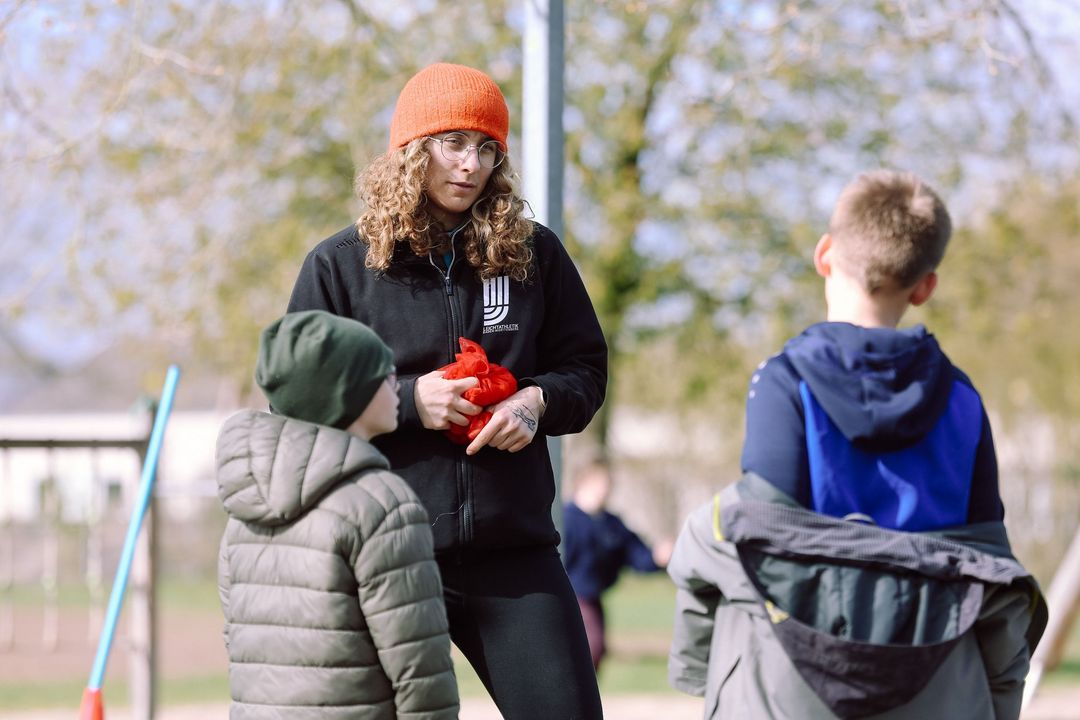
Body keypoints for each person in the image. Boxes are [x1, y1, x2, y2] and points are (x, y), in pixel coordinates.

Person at [286, 63, 607, 718]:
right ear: (412, 148)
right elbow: (295, 406)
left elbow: (586, 369)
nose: (472, 165)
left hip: (514, 557)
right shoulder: (340, 266)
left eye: (488, 148)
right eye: (454, 143)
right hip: (384, 559)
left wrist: (535, 402)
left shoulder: (535, 255)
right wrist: (407, 403)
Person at [667, 170, 1047, 719]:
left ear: (825, 254)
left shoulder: (782, 381)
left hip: (795, 679)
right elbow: (988, 559)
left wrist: (697, 669)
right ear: (924, 287)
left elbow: (763, 533)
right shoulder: (963, 399)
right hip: (935, 676)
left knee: (714, 531)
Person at [215, 310, 459, 719]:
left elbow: (239, 642)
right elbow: (418, 663)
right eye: (384, 374)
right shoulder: (382, 504)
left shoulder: (242, 510)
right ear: (348, 394)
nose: (396, 385)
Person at [562, 461, 672, 671]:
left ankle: (581, 700)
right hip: (570, 597)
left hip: (593, 597)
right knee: (590, 648)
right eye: (602, 483)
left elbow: (635, 555)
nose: (607, 489)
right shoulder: (565, 519)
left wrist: (658, 557)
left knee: (597, 651)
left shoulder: (611, 524)